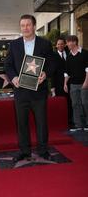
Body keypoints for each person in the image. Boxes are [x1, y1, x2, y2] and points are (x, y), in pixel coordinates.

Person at [5, 14, 56, 162]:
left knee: (41, 122)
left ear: (34, 26)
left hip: (39, 92)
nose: (25, 28)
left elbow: (52, 63)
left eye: (28, 25)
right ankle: (24, 151)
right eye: (22, 25)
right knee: (22, 123)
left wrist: (45, 74)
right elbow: (8, 65)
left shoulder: (45, 44)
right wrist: (13, 78)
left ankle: (43, 149)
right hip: (21, 92)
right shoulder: (14, 45)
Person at [64, 35, 88, 132]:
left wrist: (86, 82)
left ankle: (87, 124)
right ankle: (78, 124)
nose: (67, 44)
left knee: (85, 103)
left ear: (74, 42)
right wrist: (65, 84)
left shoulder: (85, 53)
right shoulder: (68, 56)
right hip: (73, 84)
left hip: (84, 83)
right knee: (75, 104)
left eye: (68, 42)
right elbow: (67, 73)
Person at [51, 37, 73, 126]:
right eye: (58, 44)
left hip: (70, 82)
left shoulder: (70, 53)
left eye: (62, 44)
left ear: (65, 44)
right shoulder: (53, 56)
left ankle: (70, 121)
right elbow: (52, 72)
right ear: (56, 45)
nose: (60, 45)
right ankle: (61, 122)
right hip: (58, 83)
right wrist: (52, 87)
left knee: (70, 102)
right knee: (61, 103)